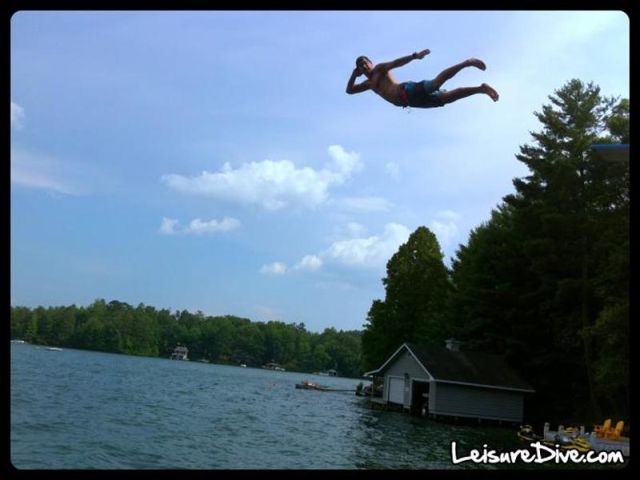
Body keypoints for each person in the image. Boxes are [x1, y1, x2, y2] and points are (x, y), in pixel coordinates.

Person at [345, 49, 499, 109]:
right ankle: (481, 89)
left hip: (405, 90)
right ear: (359, 69)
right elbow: (349, 91)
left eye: (365, 63)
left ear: (370, 63)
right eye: (361, 66)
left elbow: (396, 63)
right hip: (410, 102)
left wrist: (414, 57)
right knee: (446, 98)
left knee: (434, 84)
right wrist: (353, 74)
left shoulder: (379, 69)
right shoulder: (368, 84)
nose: (364, 66)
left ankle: (467, 63)